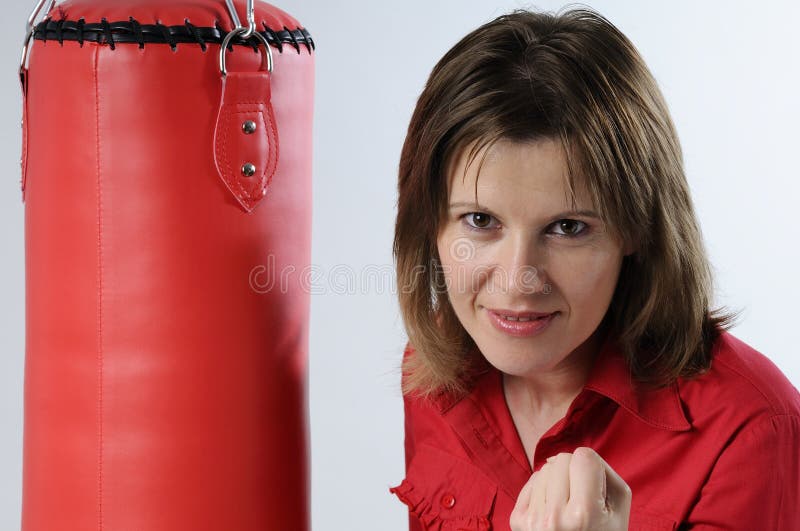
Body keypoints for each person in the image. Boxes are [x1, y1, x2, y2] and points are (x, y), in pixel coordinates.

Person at [389, 7, 800, 531]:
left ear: (637, 228)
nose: (517, 279)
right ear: (430, 224)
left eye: (567, 227)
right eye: (480, 220)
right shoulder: (432, 373)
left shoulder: (750, 430)